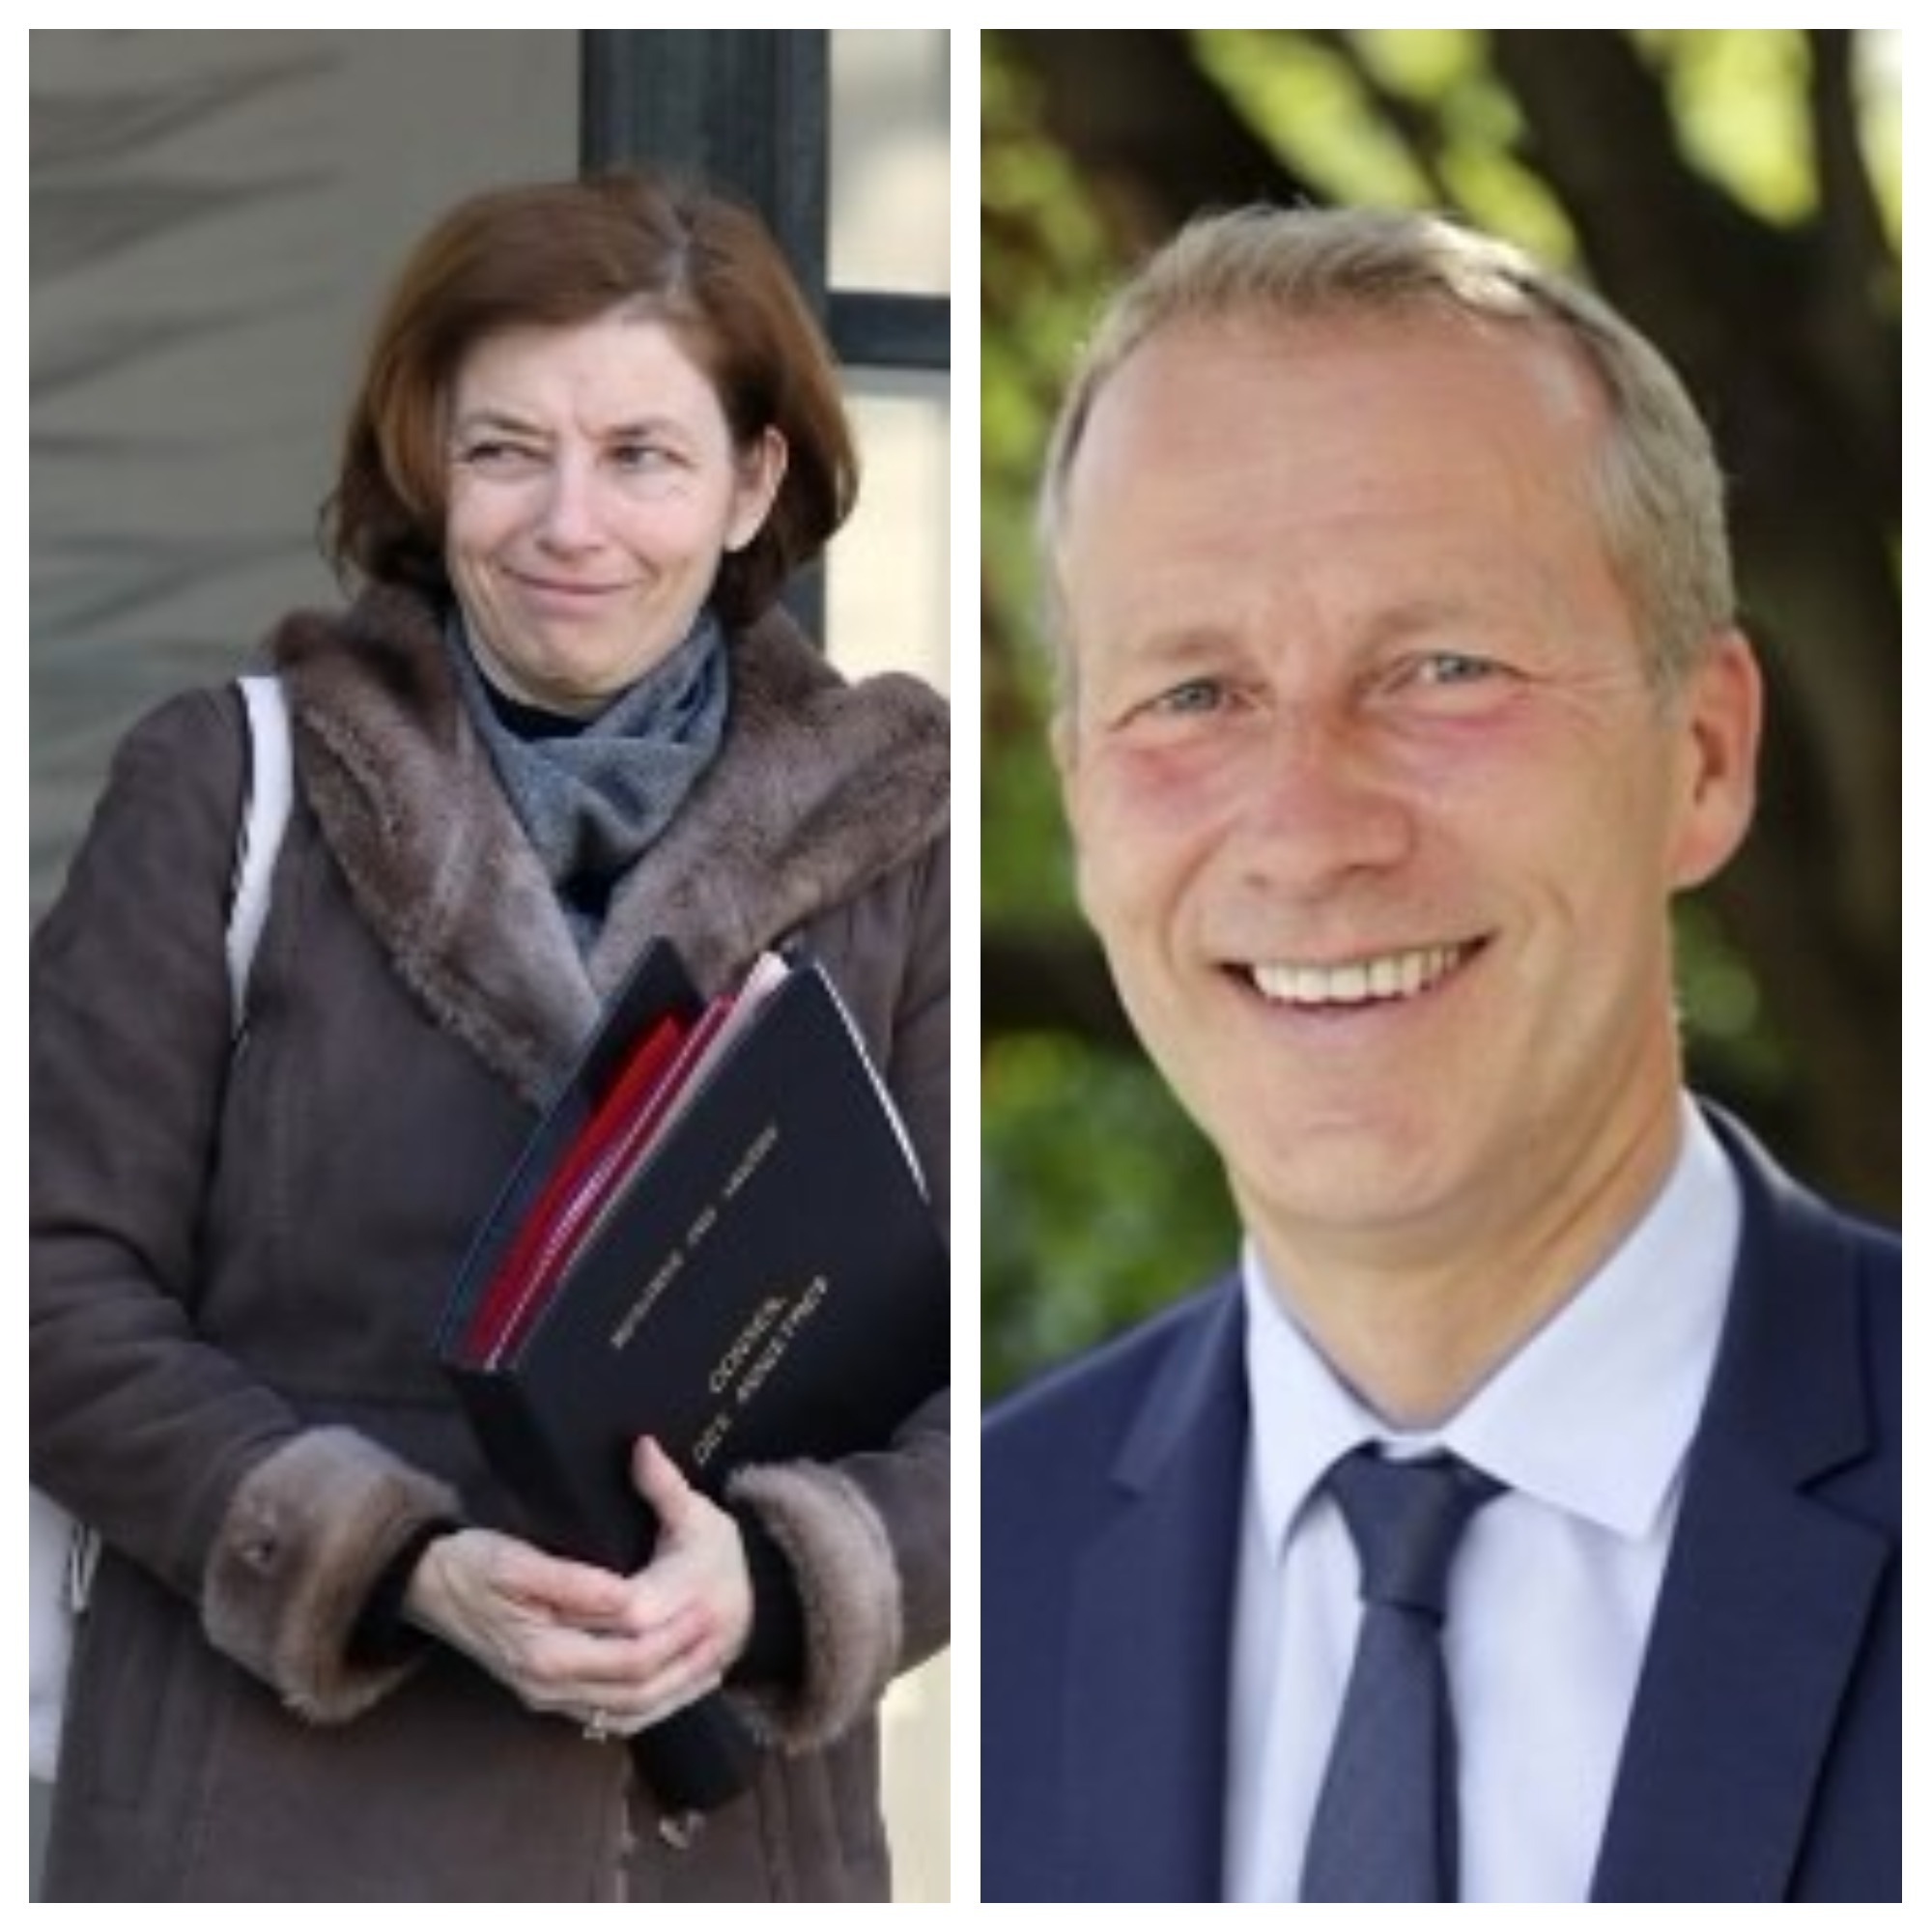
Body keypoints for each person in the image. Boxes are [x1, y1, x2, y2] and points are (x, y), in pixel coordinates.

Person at [31, 169, 949, 1903]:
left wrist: (774, 1580)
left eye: (642, 455)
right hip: (270, 1831)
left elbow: (994, 1389)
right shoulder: (225, 786)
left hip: (720, 1851)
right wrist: (390, 1561)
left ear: (754, 483)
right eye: (507, 449)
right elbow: (48, 1286)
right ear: (427, 466)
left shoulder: (903, 841)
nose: (567, 523)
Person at [981, 205, 1897, 1904]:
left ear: (1703, 756)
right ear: (1084, 798)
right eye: (1194, 696)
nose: (1308, 830)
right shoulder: (969, 1585)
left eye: (1442, 669)